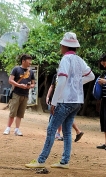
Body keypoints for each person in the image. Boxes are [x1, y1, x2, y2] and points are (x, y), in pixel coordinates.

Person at [25, 32, 94, 169]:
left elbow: (61, 80)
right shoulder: (79, 60)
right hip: (77, 101)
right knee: (67, 131)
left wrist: (54, 102)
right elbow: (90, 76)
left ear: (64, 46)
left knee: (51, 128)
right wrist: (76, 83)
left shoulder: (65, 60)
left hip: (65, 100)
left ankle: (41, 160)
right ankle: (64, 161)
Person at [3, 54, 35, 136]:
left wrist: (29, 86)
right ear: (23, 61)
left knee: (20, 114)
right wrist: (19, 85)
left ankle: (17, 129)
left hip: (25, 95)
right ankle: (8, 128)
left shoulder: (31, 72)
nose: (30, 63)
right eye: (29, 61)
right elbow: (10, 80)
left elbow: (33, 84)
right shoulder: (16, 69)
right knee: (12, 112)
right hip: (16, 94)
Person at [46, 76, 84, 142]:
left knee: (60, 116)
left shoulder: (67, 76)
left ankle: (58, 133)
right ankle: (77, 131)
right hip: (60, 99)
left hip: (63, 100)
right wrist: (48, 96)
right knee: (66, 117)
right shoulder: (56, 75)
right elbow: (52, 86)